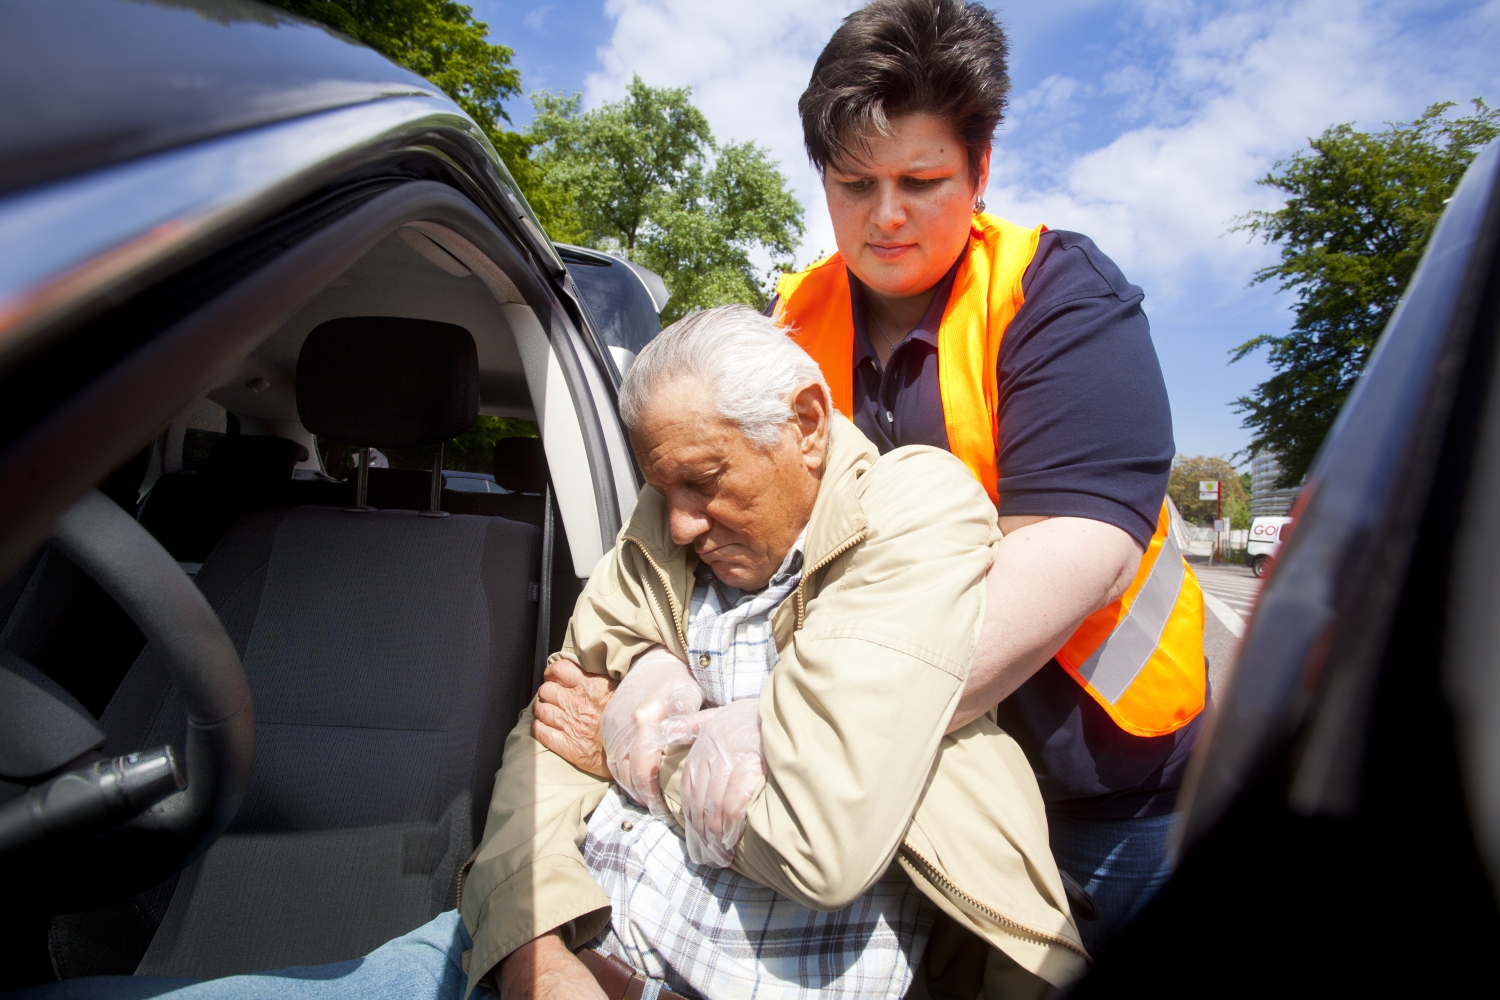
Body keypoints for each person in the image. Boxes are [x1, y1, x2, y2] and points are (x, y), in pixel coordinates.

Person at [15, 307, 1085, 1000]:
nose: (675, 525)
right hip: (550, 946)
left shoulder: (910, 507)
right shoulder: (663, 533)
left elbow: (816, 837)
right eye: (659, 490)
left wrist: (638, 741)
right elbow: (544, 730)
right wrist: (534, 953)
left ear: (808, 423)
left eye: (705, 480)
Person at [768, 0, 1207, 955]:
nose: (886, 216)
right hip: (906, 781)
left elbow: (1073, 549)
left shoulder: (1059, 296)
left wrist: (812, 723)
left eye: (922, 181)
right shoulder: (789, 327)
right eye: (854, 184)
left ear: (980, 171)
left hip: (1103, 794)